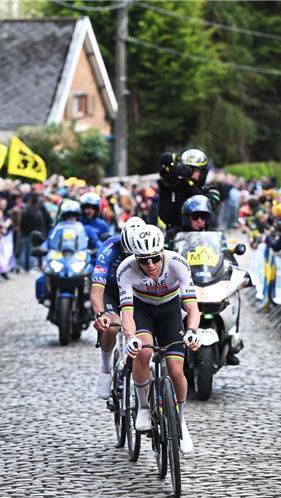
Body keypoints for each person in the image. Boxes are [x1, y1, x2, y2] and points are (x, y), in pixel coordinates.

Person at [117, 225, 201, 454]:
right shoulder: (126, 270)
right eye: (144, 260)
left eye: (155, 258)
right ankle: (144, 406)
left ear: (162, 251)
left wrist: (192, 330)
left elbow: (192, 308)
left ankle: (181, 420)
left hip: (170, 310)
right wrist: (131, 338)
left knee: (175, 370)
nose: (151, 265)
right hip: (142, 310)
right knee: (143, 352)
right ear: (135, 258)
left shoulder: (177, 263)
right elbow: (127, 314)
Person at [91, 216, 146, 398]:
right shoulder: (109, 248)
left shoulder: (148, 247)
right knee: (112, 325)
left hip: (137, 290)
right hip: (112, 290)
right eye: (125, 253)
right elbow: (97, 289)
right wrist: (100, 314)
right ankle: (106, 366)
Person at [157, 148, 221, 228]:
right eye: (188, 169)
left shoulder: (212, 191)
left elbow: (204, 205)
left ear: (203, 173)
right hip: (177, 236)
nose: (190, 173)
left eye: (195, 170)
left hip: (204, 236)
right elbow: (165, 216)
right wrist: (167, 181)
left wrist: (188, 184)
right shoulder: (176, 189)